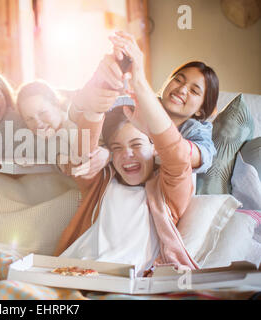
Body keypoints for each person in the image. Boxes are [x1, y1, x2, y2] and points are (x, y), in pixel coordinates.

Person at [54, 32, 198, 276]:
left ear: (154, 147)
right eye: (117, 148)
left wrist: (139, 82)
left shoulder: (169, 191)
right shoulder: (101, 182)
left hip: (127, 285)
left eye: (137, 145)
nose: (127, 155)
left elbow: (177, 156)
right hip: (74, 274)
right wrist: (96, 107)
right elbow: (83, 157)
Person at [74, 32, 219, 178]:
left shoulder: (196, 131)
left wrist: (151, 133)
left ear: (201, 109)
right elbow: (79, 116)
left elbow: (195, 158)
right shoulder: (131, 103)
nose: (181, 89)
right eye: (178, 80)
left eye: (194, 91)